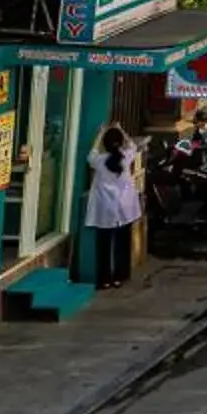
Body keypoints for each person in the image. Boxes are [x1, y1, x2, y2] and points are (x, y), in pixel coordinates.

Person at [85, 124, 142, 290]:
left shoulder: (99, 161)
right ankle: (120, 277)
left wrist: (100, 133)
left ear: (106, 143)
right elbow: (133, 145)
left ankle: (104, 280)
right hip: (124, 209)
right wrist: (121, 129)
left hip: (104, 210)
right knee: (122, 244)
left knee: (104, 246)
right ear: (120, 142)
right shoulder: (126, 157)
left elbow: (91, 154)